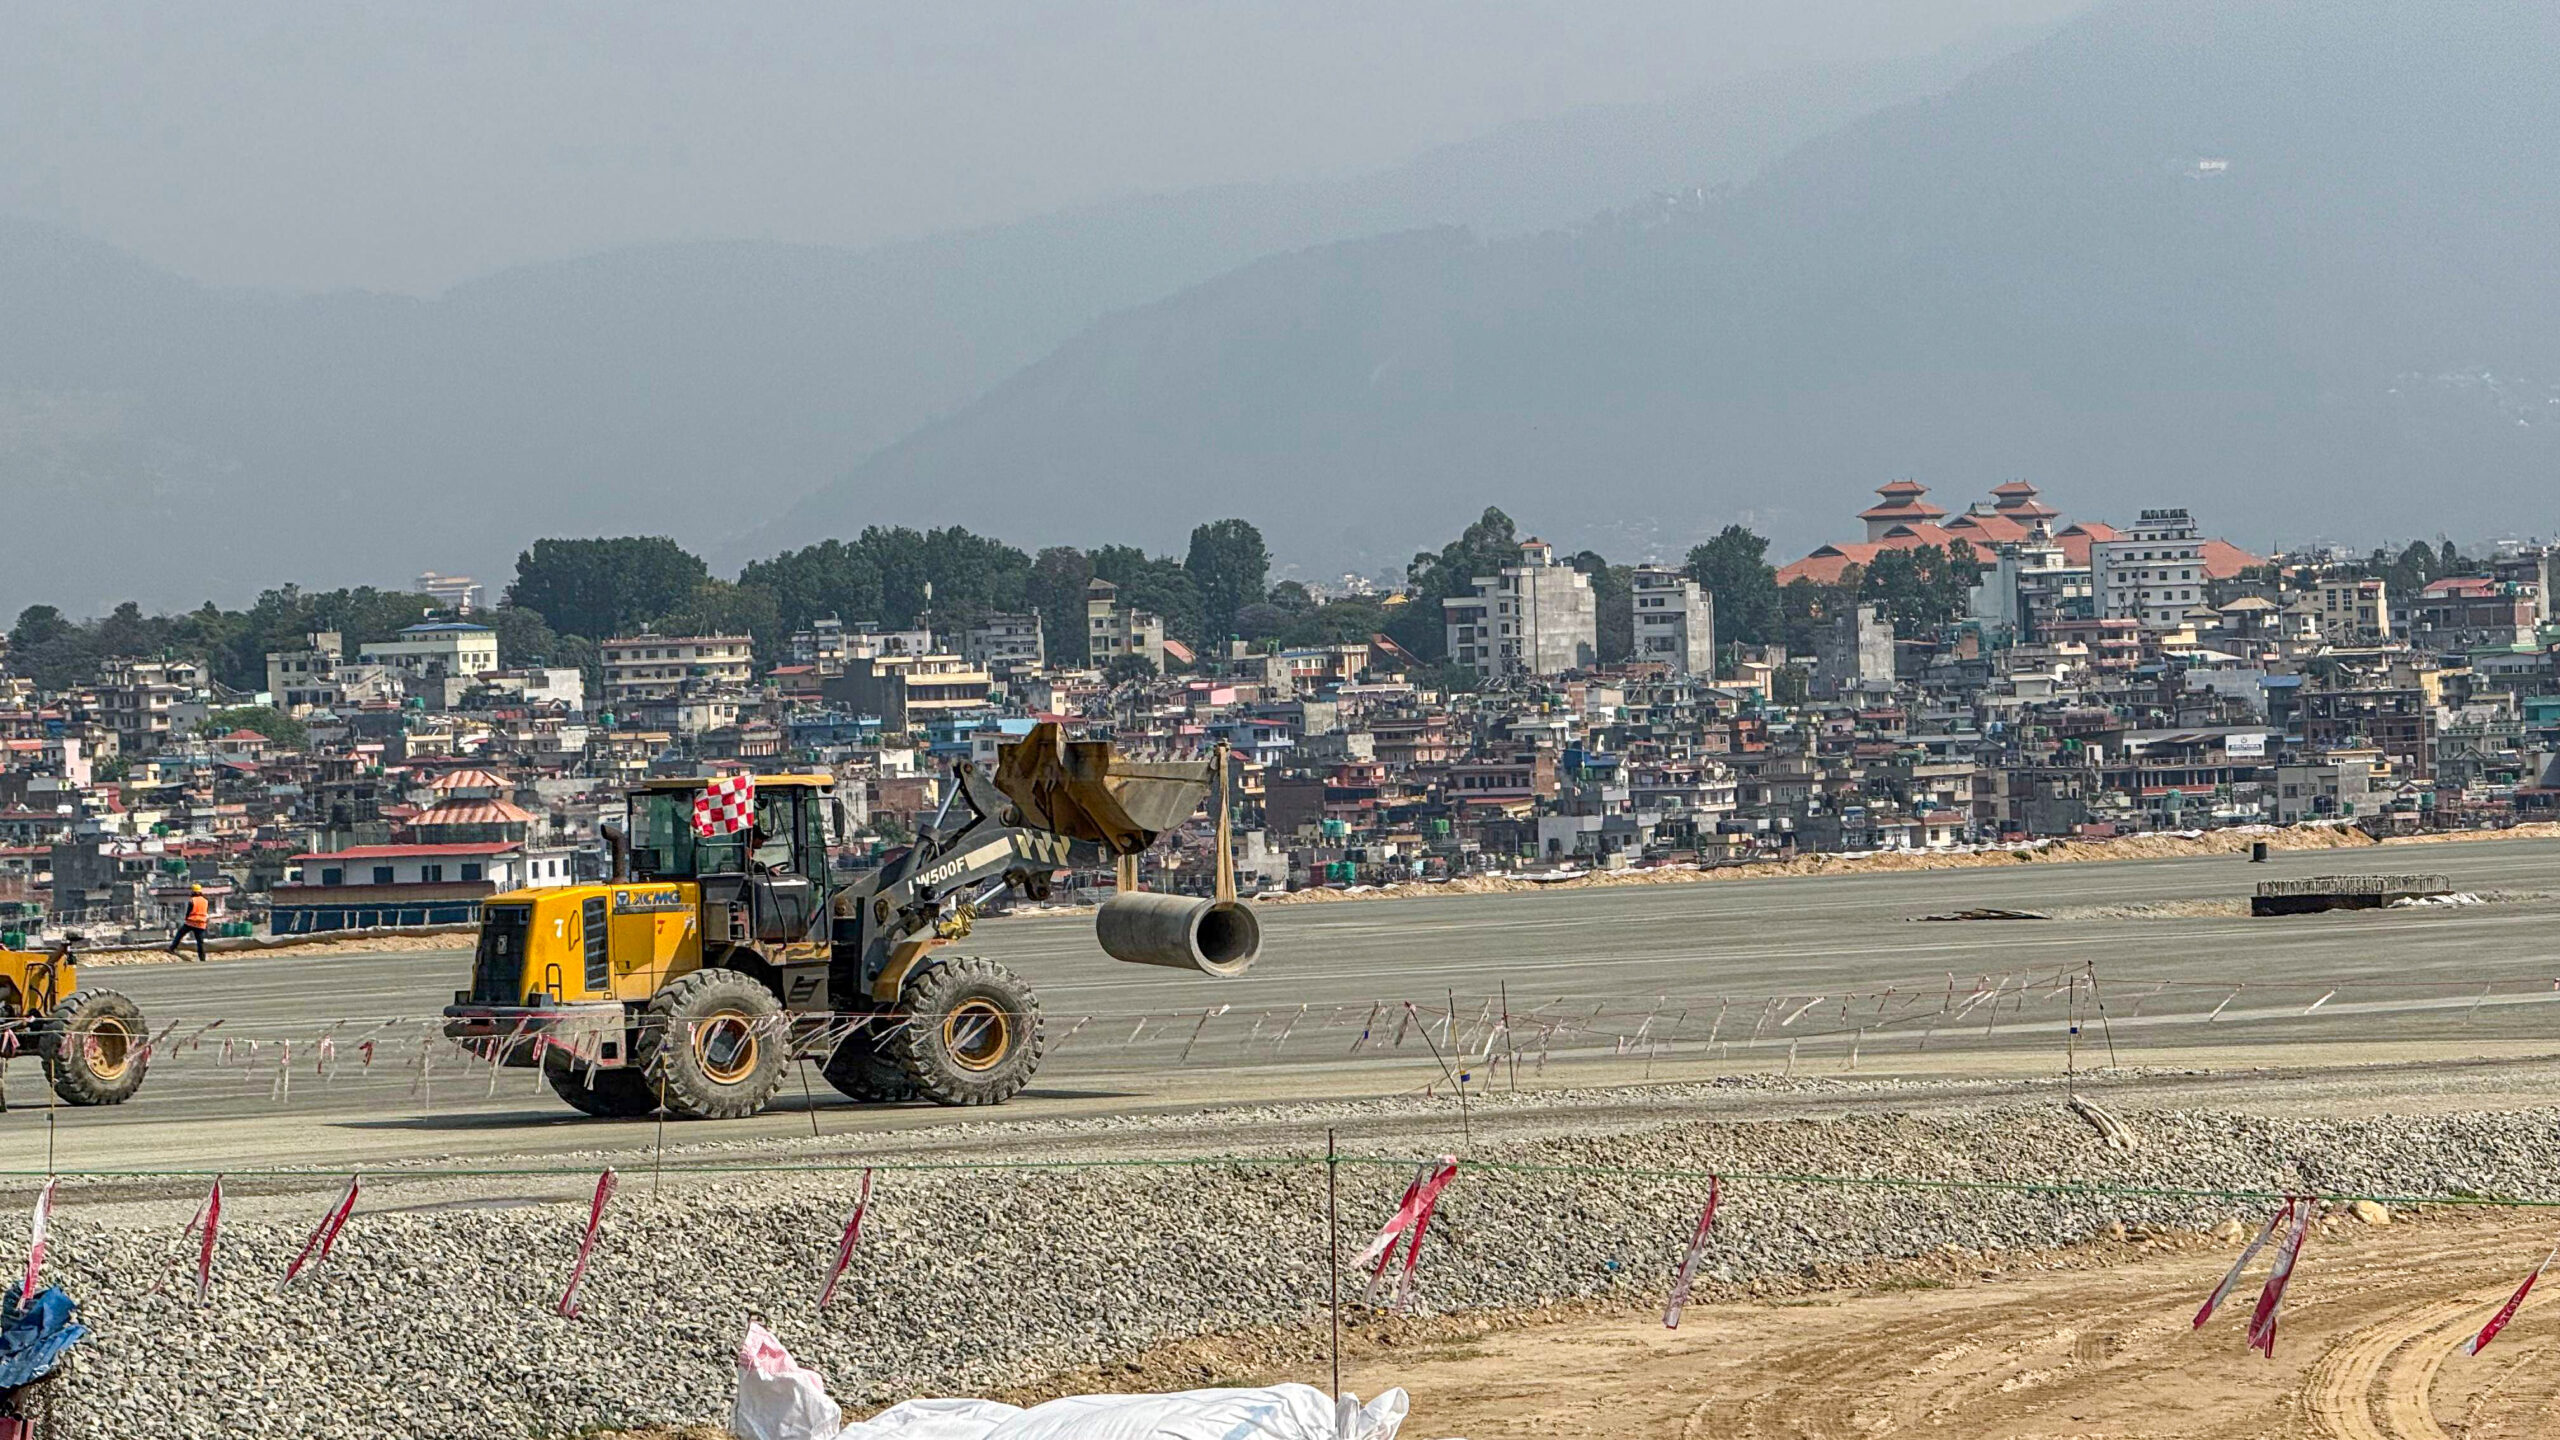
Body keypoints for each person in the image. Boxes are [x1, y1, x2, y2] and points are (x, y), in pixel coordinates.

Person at [167, 884, 209, 961]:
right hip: (201, 923)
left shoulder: (192, 900)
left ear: (193, 892)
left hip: (191, 922)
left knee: (180, 934)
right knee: (200, 942)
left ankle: (172, 948)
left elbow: (189, 911)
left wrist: (186, 918)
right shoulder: (205, 901)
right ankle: (202, 958)